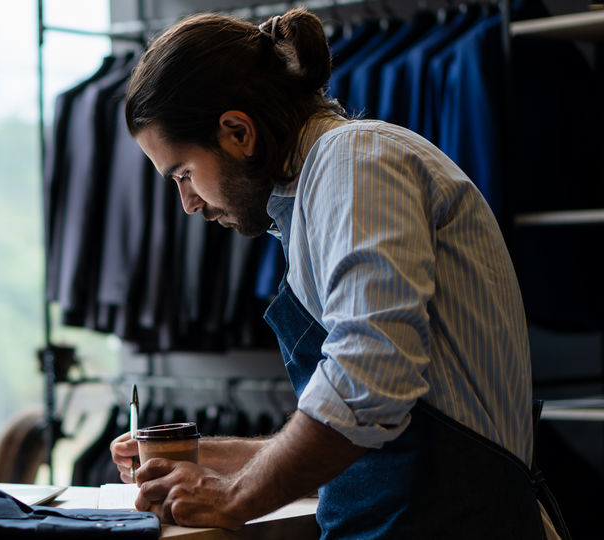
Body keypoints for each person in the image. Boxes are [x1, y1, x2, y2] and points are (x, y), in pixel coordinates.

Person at [109, 8, 564, 539]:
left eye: (184, 173)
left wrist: (237, 494)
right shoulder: (321, 191)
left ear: (237, 132)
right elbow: (375, 442)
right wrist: (219, 456)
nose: (187, 202)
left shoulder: (356, 161)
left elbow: (370, 376)